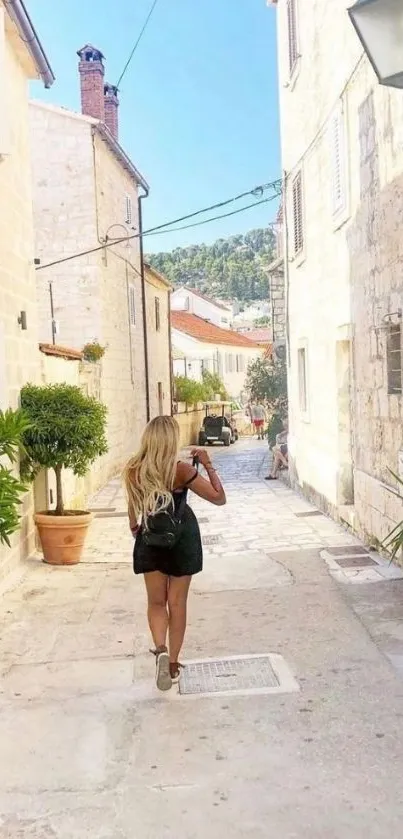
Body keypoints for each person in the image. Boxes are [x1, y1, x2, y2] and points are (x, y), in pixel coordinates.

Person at [123, 416, 226, 692]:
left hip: (151, 539)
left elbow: (133, 515)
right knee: (177, 603)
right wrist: (206, 463)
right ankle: (173, 664)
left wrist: (138, 527)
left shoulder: (133, 470)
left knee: (156, 602)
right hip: (182, 539)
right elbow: (218, 497)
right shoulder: (180, 470)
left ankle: (160, 649)